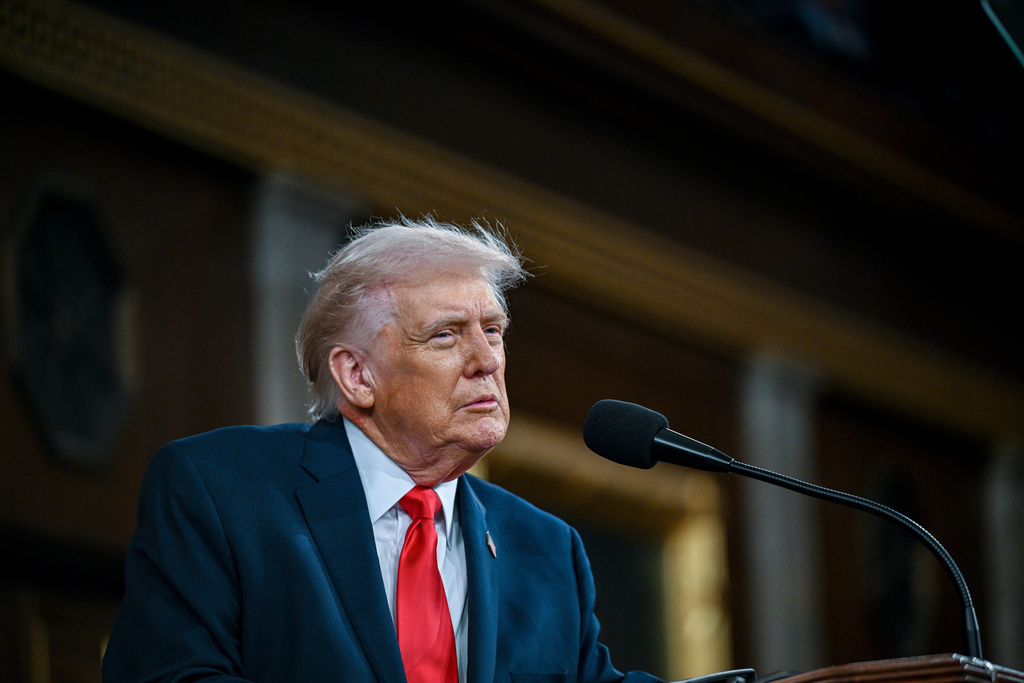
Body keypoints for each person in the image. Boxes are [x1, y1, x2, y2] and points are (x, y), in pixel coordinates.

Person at [102, 216, 663, 682]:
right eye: (446, 334)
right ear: (356, 374)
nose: (486, 360)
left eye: (493, 331)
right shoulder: (220, 492)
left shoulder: (545, 550)